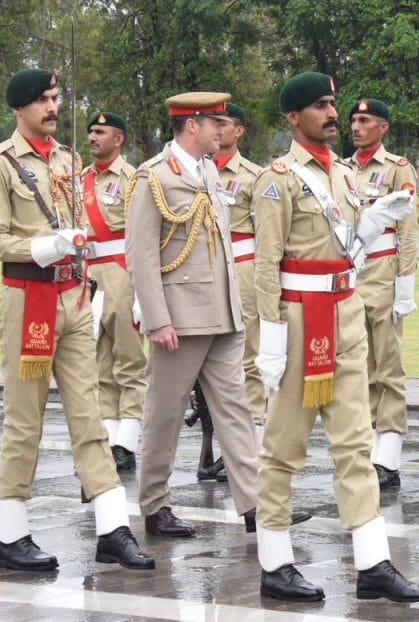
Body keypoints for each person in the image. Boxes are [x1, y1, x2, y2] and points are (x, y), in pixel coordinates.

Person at [250, 72, 419, 602]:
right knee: (283, 447)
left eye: (333, 103)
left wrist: (374, 223)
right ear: (293, 117)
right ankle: (275, 562)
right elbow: (265, 266)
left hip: (346, 311)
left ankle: (373, 563)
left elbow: (345, 247)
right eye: (319, 105)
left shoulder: (346, 177)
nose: (332, 112)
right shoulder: (277, 179)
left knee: (356, 443)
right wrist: (273, 338)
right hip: (301, 316)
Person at [0, 68, 152, 571]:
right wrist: (41, 245)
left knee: (89, 417)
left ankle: (112, 528)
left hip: (74, 296)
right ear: (19, 108)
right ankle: (12, 535)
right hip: (28, 297)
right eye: (42, 100)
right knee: (24, 422)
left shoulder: (71, 160)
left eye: (55, 98)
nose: (53, 107)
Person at [126, 91, 263, 537]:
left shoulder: (206, 170)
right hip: (180, 318)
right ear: (192, 126)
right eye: (215, 123)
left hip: (223, 312)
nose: (222, 131)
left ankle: (256, 505)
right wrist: (157, 317)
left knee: (236, 410)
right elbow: (141, 254)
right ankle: (155, 505)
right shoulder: (152, 178)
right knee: (164, 414)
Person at [346, 98, 419, 489]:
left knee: (387, 368)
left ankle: (388, 455)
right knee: (358, 369)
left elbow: (406, 230)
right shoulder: (340, 170)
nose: (356, 127)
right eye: (354, 120)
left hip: (384, 272)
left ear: (383, 127)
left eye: (365, 120)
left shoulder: (397, 169)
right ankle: (366, 446)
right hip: (353, 274)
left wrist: (405, 282)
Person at [194, 102, 267, 483]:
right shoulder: (193, 170)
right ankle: (216, 443)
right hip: (201, 271)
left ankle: (247, 450)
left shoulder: (254, 176)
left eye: (225, 124)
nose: (217, 130)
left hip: (241, 267)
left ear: (239, 132)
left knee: (248, 359)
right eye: (213, 123)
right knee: (209, 361)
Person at [82, 111, 146, 472]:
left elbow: (142, 235)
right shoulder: (80, 180)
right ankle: (109, 434)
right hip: (90, 275)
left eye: (100, 131)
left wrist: (141, 289)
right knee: (98, 360)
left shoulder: (132, 178)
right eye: (91, 131)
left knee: (129, 360)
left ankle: (128, 440)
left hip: (123, 272)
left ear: (118, 139)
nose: (92, 137)